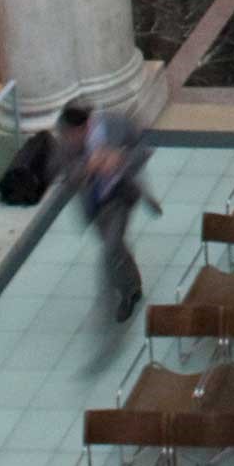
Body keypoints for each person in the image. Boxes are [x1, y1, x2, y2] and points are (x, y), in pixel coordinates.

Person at [81, 111, 160, 322]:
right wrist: (88, 168)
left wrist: (119, 159)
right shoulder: (72, 144)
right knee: (116, 248)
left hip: (120, 197)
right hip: (96, 203)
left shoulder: (115, 125)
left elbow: (142, 151)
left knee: (111, 248)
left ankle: (128, 292)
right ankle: (131, 282)